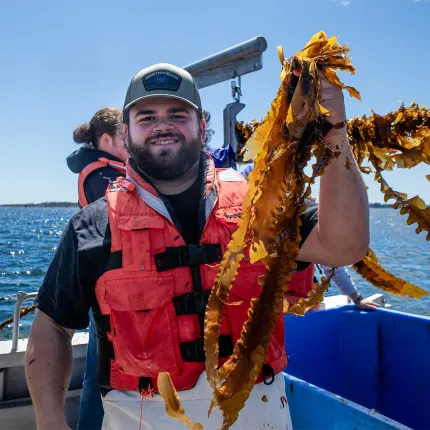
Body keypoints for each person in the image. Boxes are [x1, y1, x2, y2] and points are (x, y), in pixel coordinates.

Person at [26, 63, 369, 430]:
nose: (163, 124)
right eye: (147, 117)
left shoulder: (263, 205)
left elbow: (345, 247)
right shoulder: (90, 226)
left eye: (178, 114)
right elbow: (52, 325)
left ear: (201, 126)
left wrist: (334, 128)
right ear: (126, 136)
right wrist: (50, 422)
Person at [68, 107, 128, 430]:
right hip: (107, 295)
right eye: (123, 137)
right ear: (106, 139)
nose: (129, 143)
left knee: (102, 372)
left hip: (119, 289)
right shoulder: (99, 176)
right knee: (99, 374)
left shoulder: (111, 169)